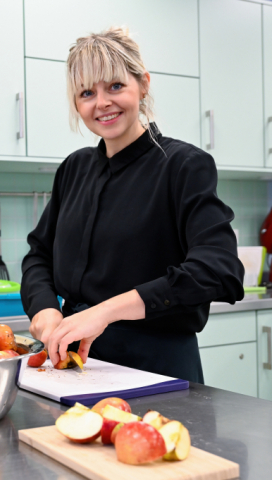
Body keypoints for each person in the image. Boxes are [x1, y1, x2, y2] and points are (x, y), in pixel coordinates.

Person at [20, 27, 244, 383]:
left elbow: (219, 270)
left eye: (115, 86)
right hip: (72, 364)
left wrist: (105, 312)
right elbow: (38, 255)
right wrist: (45, 308)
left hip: (157, 368)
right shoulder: (73, 169)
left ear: (143, 84)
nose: (102, 103)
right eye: (86, 93)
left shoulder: (183, 165)